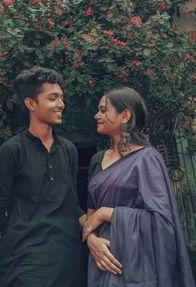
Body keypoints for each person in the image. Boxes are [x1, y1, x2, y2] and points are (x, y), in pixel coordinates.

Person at [0, 66, 86, 287]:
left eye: (61, 97)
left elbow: (70, 203)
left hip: (69, 263)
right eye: (53, 98)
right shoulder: (12, 150)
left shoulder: (69, 150)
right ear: (30, 103)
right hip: (24, 266)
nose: (61, 104)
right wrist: (21, 234)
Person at [83, 87, 195, 287]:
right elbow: (89, 214)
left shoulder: (147, 159)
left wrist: (108, 213)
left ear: (125, 115)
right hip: (101, 263)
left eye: (103, 109)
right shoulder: (97, 159)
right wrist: (92, 241)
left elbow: (161, 222)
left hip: (138, 267)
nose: (97, 115)